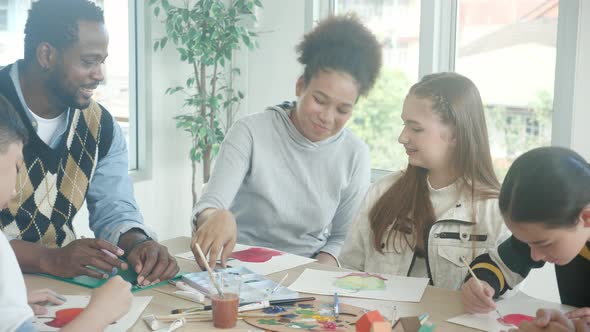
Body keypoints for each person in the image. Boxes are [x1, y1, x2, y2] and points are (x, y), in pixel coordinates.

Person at [0, 0, 178, 286]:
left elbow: (115, 209)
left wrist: (138, 244)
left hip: (61, 288)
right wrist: (49, 258)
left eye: (102, 62)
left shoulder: (100, 126)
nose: (99, 75)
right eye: (88, 62)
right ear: (46, 55)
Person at [191, 14, 382, 268]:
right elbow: (209, 206)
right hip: (236, 265)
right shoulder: (250, 132)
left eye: (342, 110)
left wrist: (313, 277)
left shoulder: (355, 154)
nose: (327, 117)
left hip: (307, 272)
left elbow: (341, 239)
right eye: (320, 100)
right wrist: (216, 217)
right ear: (300, 86)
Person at [339, 72, 509, 290]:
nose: (402, 137)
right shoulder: (382, 191)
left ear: (456, 133)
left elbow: (502, 304)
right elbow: (348, 271)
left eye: (416, 128)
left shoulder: (496, 211)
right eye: (404, 125)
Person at [0, 93, 133, 332]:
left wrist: (8, 305)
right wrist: (100, 313)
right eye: (17, 166)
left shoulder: (100, 124)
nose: (15, 187)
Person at [462, 147, 590, 331]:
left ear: (586, 218)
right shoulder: (552, 221)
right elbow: (498, 264)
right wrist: (480, 284)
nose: (535, 256)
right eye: (528, 242)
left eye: (544, 244)